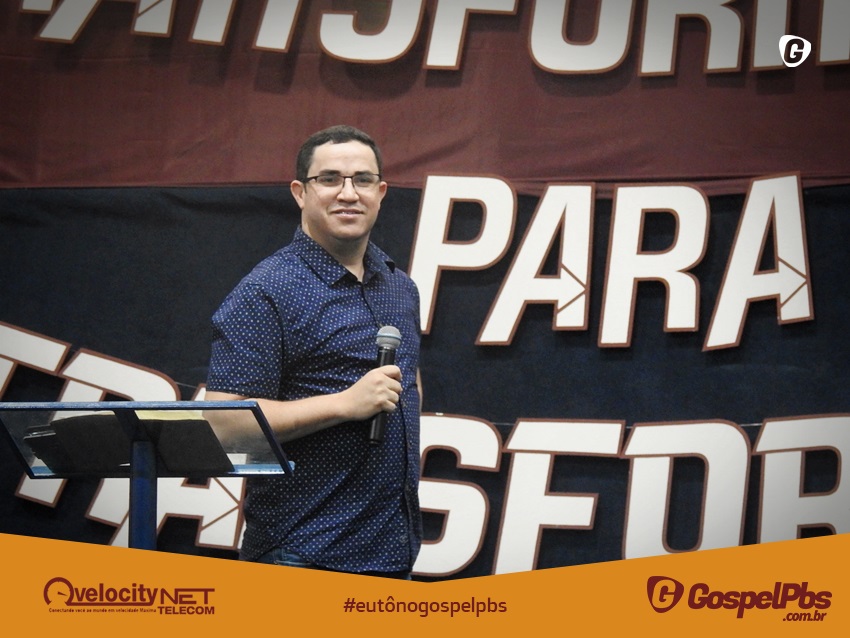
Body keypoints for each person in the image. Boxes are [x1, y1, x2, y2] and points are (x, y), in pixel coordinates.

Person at [204, 125, 422, 578]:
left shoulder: (400, 287)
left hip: (390, 554)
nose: (349, 193)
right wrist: (345, 405)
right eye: (330, 179)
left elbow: (406, 386)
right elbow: (224, 426)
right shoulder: (267, 290)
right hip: (301, 557)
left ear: (380, 193)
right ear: (300, 192)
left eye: (363, 180)